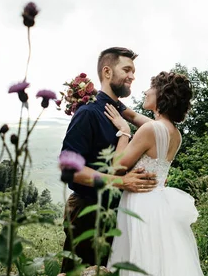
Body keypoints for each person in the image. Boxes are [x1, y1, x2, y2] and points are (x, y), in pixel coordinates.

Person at [60, 47, 157, 273]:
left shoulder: (116, 111)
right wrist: (123, 182)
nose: (132, 76)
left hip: (114, 214)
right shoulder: (88, 113)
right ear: (107, 72)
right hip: (87, 214)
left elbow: (150, 127)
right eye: (127, 69)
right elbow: (70, 171)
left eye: (133, 71)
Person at [104, 71, 203, 276]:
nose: (147, 91)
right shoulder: (176, 134)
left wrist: (124, 133)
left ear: (162, 95)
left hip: (140, 202)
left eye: (152, 88)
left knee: (141, 260)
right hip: (159, 204)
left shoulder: (150, 129)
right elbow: (133, 117)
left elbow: (116, 169)